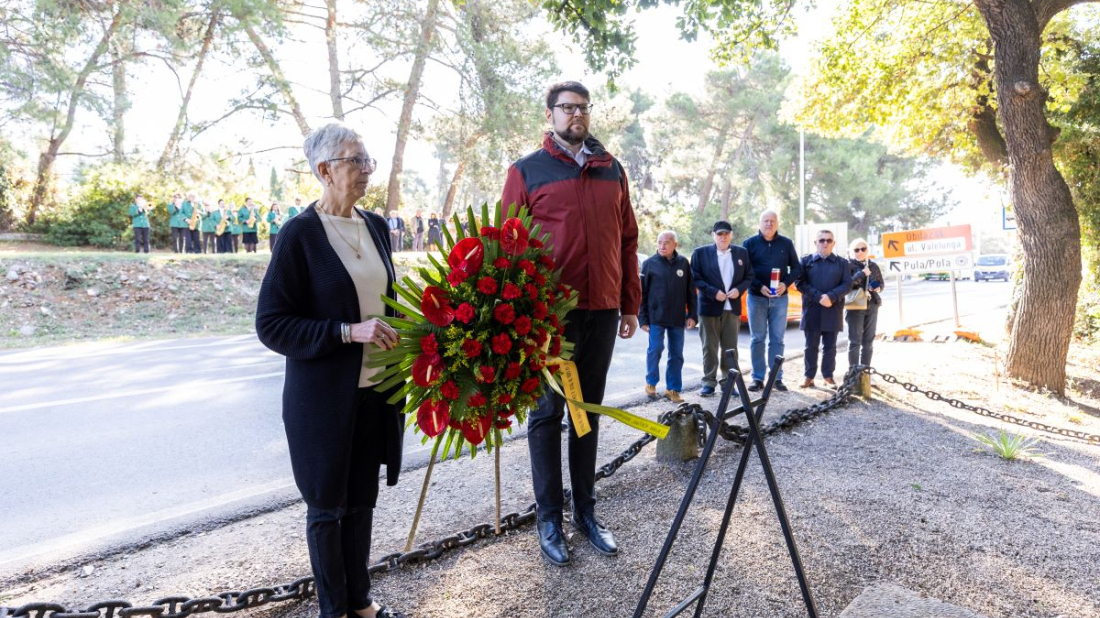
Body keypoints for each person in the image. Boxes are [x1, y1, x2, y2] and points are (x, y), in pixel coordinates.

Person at [256, 122, 406, 618]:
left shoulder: (377, 226)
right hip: (321, 401)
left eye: (368, 160)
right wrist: (346, 331)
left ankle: (359, 601)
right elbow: (273, 324)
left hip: (374, 391)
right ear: (324, 170)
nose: (366, 170)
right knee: (327, 507)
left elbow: (388, 305)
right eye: (355, 161)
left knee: (361, 501)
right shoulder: (299, 234)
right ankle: (333, 610)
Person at [501, 80, 640, 567]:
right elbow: (508, 248)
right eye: (567, 108)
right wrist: (519, 316)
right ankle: (549, 519)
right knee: (546, 416)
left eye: (582, 108)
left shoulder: (612, 170)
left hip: (601, 309)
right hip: (549, 317)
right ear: (551, 115)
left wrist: (629, 303)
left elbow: (627, 241)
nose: (576, 115)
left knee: (588, 413)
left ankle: (586, 512)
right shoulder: (526, 172)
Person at [692, 220, 753, 396]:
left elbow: (749, 275)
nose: (723, 236)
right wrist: (713, 292)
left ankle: (728, 382)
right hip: (709, 308)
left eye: (726, 233)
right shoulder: (700, 253)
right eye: (719, 234)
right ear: (714, 236)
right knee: (709, 347)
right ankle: (709, 383)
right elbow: (696, 277)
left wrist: (739, 290)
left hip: (731, 308)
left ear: (731, 235)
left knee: (730, 348)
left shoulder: (742, 253)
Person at [742, 209, 801, 392]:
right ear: (759, 223)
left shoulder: (786, 243)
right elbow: (745, 271)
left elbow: (797, 269)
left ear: (777, 224)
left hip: (780, 299)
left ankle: (776, 377)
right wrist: (759, 286)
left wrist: (785, 284)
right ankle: (757, 378)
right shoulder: (749, 244)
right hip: (756, 298)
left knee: (778, 339)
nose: (769, 224)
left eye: (772, 221)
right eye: (765, 220)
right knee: (757, 339)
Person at [640, 230, 697, 403]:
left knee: (677, 354)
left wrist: (692, 315)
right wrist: (642, 318)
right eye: (659, 242)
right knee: (655, 349)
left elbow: (690, 291)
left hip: (677, 318)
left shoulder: (683, 264)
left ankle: (673, 389)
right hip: (656, 317)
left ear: (675, 245)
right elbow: (641, 293)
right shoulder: (649, 263)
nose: (662, 245)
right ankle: (651, 382)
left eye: (666, 242)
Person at [795, 229, 853, 388]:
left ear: (833, 243)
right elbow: (800, 283)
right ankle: (809, 376)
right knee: (810, 347)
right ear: (816, 243)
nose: (825, 243)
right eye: (822, 240)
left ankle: (828, 376)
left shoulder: (842, 263)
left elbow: (847, 284)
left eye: (829, 240)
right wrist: (819, 297)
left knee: (830, 347)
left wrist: (832, 297)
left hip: (833, 310)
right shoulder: (806, 261)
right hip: (812, 309)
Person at [845, 238, 885, 367]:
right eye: (856, 250)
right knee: (854, 342)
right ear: (852, 251)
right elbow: (846, 286)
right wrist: (861, 274)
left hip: (872, 305)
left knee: (868, 342)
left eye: (863, 249)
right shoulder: (847, 265)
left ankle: (865, 374)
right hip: (855, 306)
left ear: (868, 250)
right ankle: (853, 374)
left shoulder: (873, 265)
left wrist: (878, 287)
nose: (860, 252)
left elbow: (881, 284)